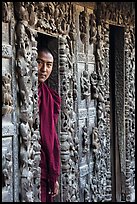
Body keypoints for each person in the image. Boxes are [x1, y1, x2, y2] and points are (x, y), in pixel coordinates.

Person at [37, 46, 61, 202]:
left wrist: (53, 175)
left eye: (49, 64)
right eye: (39, 62)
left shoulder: (49, 96)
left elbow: (50, 137)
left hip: (44, 167)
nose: (44, 69)